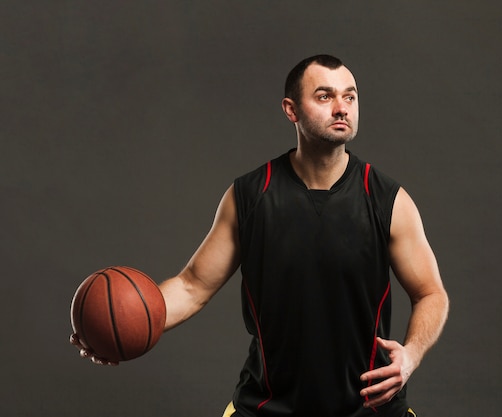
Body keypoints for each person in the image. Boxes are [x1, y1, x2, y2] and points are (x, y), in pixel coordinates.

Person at [71, 54, 449, 417]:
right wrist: (122, 323)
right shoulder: (250, 196)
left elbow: (431, 292)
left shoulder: (387, 199)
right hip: (268, 407)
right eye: (325, 96)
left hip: (369, 409)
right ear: (291, 110)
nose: (341, 107)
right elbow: (191, 287)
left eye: (349, 96)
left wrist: (411, 355)